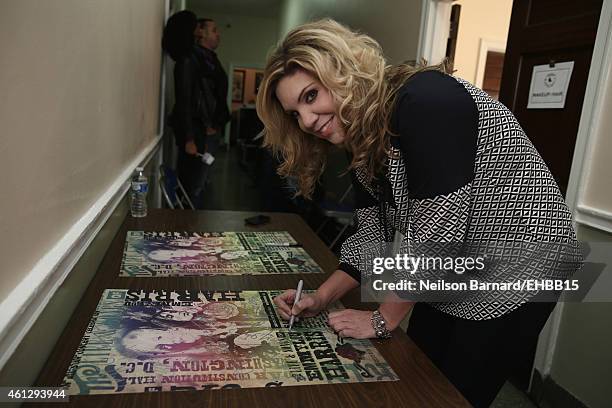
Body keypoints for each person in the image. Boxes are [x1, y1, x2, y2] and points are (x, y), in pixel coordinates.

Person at [256, 19, 582, 407]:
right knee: (416, 376)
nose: (307, 121)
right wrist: (321, 297)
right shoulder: (362, 137)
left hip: (520, 267)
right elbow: (370, 237)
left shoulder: (426, 100)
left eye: (311, 96)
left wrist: (382, 318)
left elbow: (438, 233)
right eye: (295, 113)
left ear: (342, 72)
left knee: (452, 394)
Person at [162, 11, 215, 208]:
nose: (199, 31)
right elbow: (184, 102)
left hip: (195, 127)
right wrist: (190, 139)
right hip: (190, 130)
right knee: (189, 181)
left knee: (191, 179)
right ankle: (184, 223)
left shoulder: (190, 58)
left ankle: (186, 220)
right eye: (195, 27)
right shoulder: (185, 62)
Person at [195, 18, 230, 156]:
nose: (218, 34)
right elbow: (201, 92)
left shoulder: (210, 58)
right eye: (214, 30)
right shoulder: (198, 58)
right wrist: (207, 124)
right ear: (201, 32)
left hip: (213, 126)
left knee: (205, 173)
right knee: (200, 174)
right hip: (205, 129)